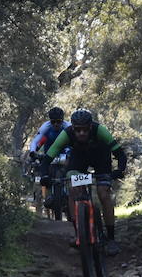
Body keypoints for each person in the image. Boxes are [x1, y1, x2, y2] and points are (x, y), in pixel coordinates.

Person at [41, 108, 127, 254]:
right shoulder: (66, 134)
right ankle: (79, 234)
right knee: (73, 189)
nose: (82, 133)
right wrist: (44, 175)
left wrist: (119, 170)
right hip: (79, 159)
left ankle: (111, 239)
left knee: (103, 194)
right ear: (73, 128)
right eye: (78, 130)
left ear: (91, 127)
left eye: (85, 130)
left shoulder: (100, 131)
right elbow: (47, 158)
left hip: (101, 158)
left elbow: (119, 153)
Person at [26, 107, 68, 210]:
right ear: (50, 121)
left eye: (59, 122)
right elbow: (36, 141)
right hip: (49, 154)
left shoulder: (68, 126)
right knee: (46, 175)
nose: (56, 124)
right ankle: (47, 195)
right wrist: (32, 152)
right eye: (53, 122)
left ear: (62, 120)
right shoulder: (46, 127)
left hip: (65, 151)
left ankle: (69, 192)